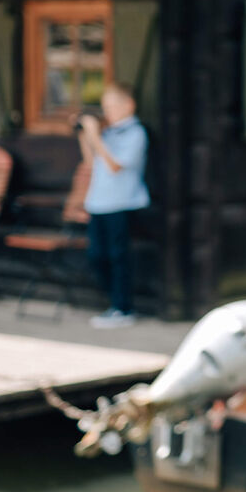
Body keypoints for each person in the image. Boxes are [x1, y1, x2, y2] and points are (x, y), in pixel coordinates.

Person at [76, 82, 149, 329]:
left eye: (111, 106)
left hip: (122, 203)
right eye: (105, 107)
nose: (107, 112)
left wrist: (96, 136)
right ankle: (113, 304)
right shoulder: (107, 133)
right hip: (98, 202)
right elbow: (91, 162)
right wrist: (86, 135)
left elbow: (115, 165)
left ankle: (123, 308)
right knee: (97, 256)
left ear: (128, 105)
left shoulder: (136, 133)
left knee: (119, 257)